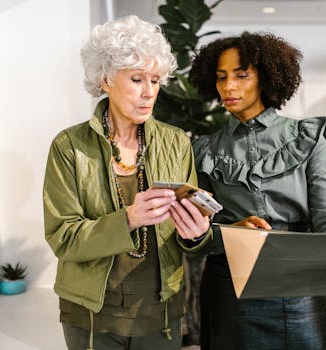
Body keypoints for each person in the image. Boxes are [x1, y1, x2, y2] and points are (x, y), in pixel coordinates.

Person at [188, 32, 326, 350]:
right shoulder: (204, 149)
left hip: (298, 286)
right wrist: (226, 232)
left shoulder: (306, 138)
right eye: (221, 77)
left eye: (242, 75)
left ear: (266, 78)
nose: (228, 86)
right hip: (229, 290)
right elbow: (193, 234)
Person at [43, 15, 210, 350]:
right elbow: (63, 238)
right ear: (105, 78)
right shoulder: (69, 146)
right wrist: (130, 218)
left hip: (161, 315)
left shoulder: (176, 142)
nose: (149, 92)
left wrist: (196, 235)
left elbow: (189, 234)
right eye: (136, 79)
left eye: (155, 80)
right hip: (91, 316)